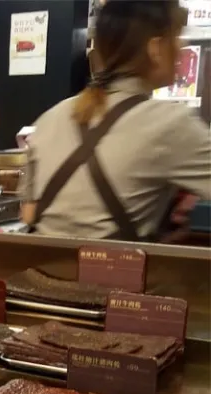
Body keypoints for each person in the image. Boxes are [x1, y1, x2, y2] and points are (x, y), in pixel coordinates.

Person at [22, 0, 211, 241]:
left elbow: (29, 215)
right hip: (111, 276)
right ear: (156, 48)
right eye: (177, 36)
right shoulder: (171, 123)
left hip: (36, 275)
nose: (182, 46)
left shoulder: (50, 117)